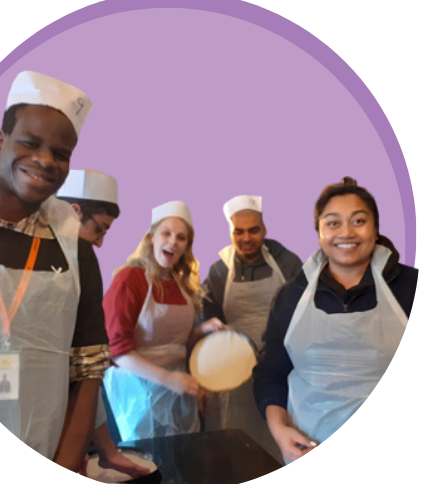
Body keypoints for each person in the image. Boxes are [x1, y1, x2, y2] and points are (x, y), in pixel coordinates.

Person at [0, 71, 109, 473]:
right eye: (30, 143)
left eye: (60, 153)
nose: (45, 160)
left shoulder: (75, 248)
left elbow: (88, 368)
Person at [253, 177, 418, 464]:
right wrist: (279, 431)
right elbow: (271, 370)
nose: (346, 232)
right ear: (318, 233)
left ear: (375, 229)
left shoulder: (410, 287)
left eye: (358, 221)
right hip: (307, 444)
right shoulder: (292, 295)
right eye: (332, 223)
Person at [102, 200, 226, 441]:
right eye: (166, 233)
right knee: (144, 463)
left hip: (178, 389)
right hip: (137, 389)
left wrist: (202, 330)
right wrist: (166, 378)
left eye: (181, 238)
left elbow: (176, 343)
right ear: (151, 238)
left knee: (181, 462)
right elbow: (116, 350)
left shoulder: (182, 284)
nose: (173, 241)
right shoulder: (130, 279)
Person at [57, 169, 150, 479]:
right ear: (73, 212)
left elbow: (86, 365)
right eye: (99, 229)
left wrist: (103, 449)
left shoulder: (79, 256)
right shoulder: (78, 255)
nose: (98, 243)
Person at [200, 195, 301, 462]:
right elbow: (207, 317)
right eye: (238, 231)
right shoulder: (220, 270)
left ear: (264, 229)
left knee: (279, 438)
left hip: (282, 364)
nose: (246, 238)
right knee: (236, 445)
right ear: (230, 232)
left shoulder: (287, 262)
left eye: (253, 230)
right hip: (235, 368)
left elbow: (304, 311)